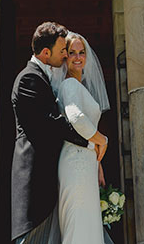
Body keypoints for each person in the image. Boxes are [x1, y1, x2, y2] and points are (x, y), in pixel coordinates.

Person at [11, 22, 108, 244]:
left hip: (56, 172)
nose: (67, 56)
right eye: (64, 50)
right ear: (47, 53)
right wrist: (98, 141)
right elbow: (53, 124)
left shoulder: (48, 79)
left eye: (77, 52)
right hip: (34, 176)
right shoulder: (29, 78)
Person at [51, 32, 115, 244]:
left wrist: (97, 164)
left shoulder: (80, 87)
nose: (77, 57)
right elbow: (76, 118)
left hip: (86, 161)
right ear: (65, 57)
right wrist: (102, 140)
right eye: (72, 53)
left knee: (89, 225)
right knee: (78, 225)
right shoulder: (69, 85)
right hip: (74, 162)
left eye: (81, 52)